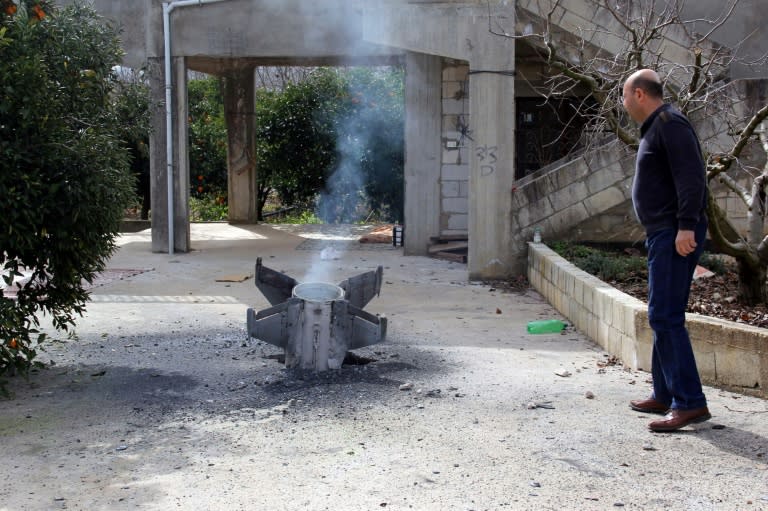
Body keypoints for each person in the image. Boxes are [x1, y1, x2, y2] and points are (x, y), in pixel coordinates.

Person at [621, 69, 711, 432]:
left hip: (675, 232)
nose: (623, 103)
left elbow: (692, 178)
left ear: (640, 94)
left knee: (666, 315)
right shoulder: (658, 126)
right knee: (661, 314)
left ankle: (689, 402)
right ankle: (664, 393)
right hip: (663, 231)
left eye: (625, 95)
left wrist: (686, 226)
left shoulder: (670, 124)